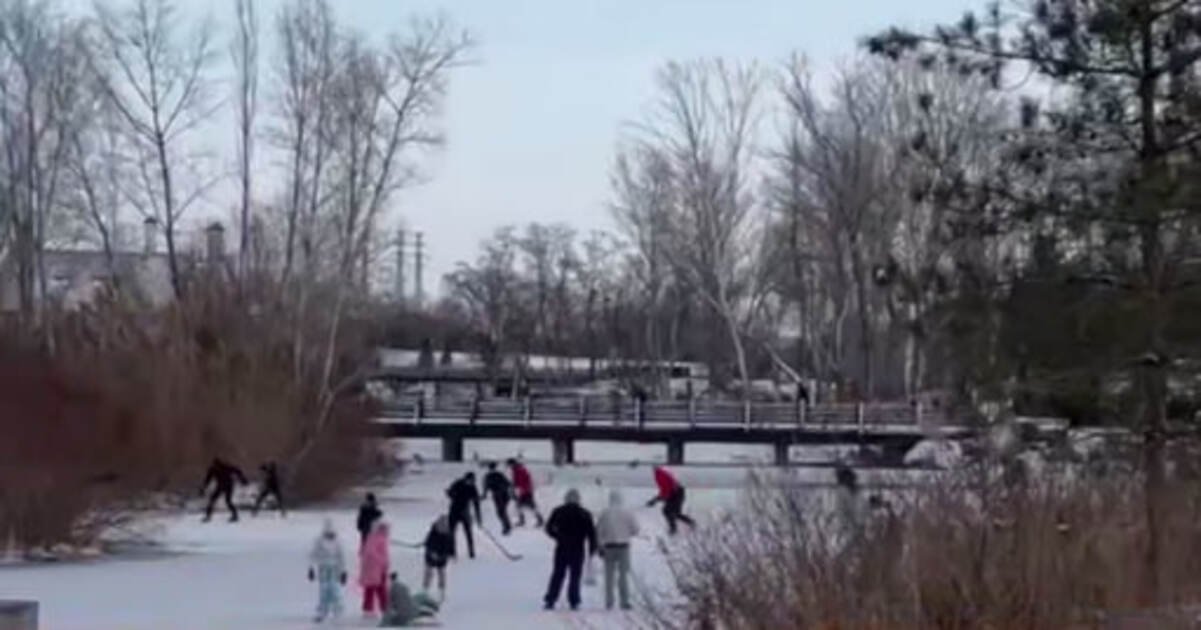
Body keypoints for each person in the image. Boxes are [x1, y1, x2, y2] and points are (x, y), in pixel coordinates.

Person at [543, 488, 598, 611]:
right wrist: (592, 549)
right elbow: (591, 534)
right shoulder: (585, 514)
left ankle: (551, 599)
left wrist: (557, 537)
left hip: (562, 547)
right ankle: (574, 600)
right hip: (578, 549)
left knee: (558, 574)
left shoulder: (558, 511)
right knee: (575, 575)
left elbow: (548, 528)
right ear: (579, 500)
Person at [596, 489, 639, 610]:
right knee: (623, 576)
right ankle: (624, 601)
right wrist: (626, 533)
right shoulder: (627, 513)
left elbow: (599, 531)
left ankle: (609, 601)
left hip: (608, 547)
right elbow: (635, 529)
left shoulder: (605, 513)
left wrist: (600, 546)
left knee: (609, 576)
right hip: (623, 547)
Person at [308, 518, 347, 623]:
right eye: (329, 533)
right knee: (323, 590)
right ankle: (322, 611)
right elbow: (313, 555)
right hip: (323, 569)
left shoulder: (338, 542)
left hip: (334, 569)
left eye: (332, 533)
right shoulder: (319, 541)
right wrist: (311, 568)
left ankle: (337, 610)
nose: (331, 535)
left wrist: (343, 571)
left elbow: (341, 557)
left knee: (335, 589)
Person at [647, 466, 695, 535]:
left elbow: (666, 490)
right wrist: (656, 500)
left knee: (667, 511)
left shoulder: (660, 475)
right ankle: (690, 523)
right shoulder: (661, 473)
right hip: (677, 492)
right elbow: (665, 490)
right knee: (675, 513)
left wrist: (655, 500)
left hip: (676, 494)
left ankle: (674, 529)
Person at [446, 472, 482, 559]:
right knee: (451, 533)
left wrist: (479, 518)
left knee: (468, 533)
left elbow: (476, 503)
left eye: (472, 481)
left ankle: (471, 552)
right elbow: (449, 493)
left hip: (465, 512)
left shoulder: (473, 488)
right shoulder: (457, 484)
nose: (471, 482)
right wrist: (451, 493)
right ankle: (452, 552)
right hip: (454, 511)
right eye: (470, 481)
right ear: (466, 479)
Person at [200, 457, 247, 523]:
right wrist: (203, 488)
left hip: (228, 486)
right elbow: (208, 480)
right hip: (221, 486)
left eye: (217, 465)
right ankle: (208, 516)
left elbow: (237, 471)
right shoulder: (212, 469)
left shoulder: (226, 467)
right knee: (213, 500)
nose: (216, 467)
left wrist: (243, 480)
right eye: (215, 466)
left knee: (227, 501)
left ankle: (235, 516)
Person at [360, 520, 391, 618]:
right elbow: (369, 552)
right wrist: (381, 561)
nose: (385, 530)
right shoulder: (374, 538)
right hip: (373, 570)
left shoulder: (382, 538)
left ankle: (378, 608)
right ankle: (372, 609)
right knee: (375, 589)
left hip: (380, 569)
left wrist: (385, 563)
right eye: (383, 528)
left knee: (378, 589)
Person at [422, 515, 454, 601]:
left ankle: (441, 591)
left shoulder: (449, 535)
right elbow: (428, 545)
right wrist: (432, 553)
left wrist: (449, 555)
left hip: (442, 558)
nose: (442, 528)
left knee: (442, 574)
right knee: (428, 573)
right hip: (430, 557)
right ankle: (425, 590)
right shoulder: (432, 533)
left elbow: (450, 547)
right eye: (441, 525)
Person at [507, 458, 544, 527]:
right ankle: (524, 520)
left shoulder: (518, 470)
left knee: (530, 506)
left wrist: (516, 489)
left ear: (512, 464)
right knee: (520, 506)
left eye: (509, 465)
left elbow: (520, 482)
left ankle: (539, 520)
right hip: (525, 491)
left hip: (525, 491)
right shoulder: (518, 469)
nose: (509, 467)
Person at [482, 461, 513, 535]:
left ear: (489, 468)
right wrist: (511, 493)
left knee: (500, 512)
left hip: (498, 495)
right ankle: (507, 526)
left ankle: (507, 527)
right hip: (505, 495)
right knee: (503, 511)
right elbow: (508, 484)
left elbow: (486, 487)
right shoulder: (500, 474)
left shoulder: (488, 476)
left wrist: (484, 495)